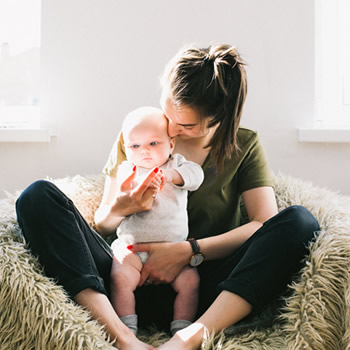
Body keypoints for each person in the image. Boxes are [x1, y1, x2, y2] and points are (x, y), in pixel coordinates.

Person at [15, 43, 320, 350]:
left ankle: (190, 337)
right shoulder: (140, 133)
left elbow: (262, 223)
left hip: (201, 288)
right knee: (36, 197)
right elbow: (103, 225)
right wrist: (122, 207)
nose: (170, 130)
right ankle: (119, 335)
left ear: (218, 118)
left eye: (186, 125)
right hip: (124, 278)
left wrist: (188, 251)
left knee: (300, 222)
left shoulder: (245, 144)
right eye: (167, 111)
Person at [109, 106, 204, 336]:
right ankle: (127, 329)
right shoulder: (128, 169)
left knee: (191, 283)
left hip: (174, 250)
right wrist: (130, 186)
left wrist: (172, 176)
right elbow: (120, 192)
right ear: (126, 148)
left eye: (153, 143)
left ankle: (181, 330)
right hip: (133, 249)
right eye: (135, 146)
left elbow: (196, 176)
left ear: (171, 144)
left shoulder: (176, 165)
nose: (145, 152)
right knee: (119, 279)